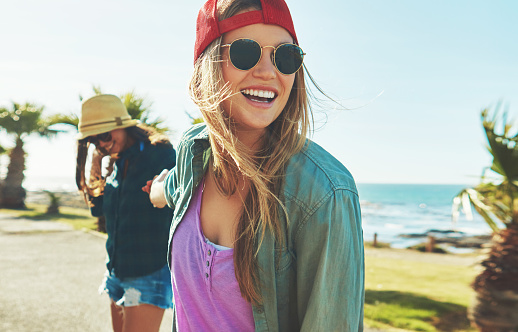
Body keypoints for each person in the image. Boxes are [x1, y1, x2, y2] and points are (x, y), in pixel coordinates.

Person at [148, 0, 364, 330]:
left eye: (285, 57)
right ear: (208, 65)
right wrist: (157, 190)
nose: (267, 72)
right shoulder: (193, 155)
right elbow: (172, 187)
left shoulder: (325, 194)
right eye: (246, 52)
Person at [76, 94, 175, 332]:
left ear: (122, 127)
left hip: (148, 271)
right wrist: (96, 163)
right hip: (116, 273)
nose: (101, 144)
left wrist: (160, 191)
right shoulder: (116, 164)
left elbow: (178, 201)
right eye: (94, 141)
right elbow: (97, 210)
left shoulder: (159, 153)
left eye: (104, 136)